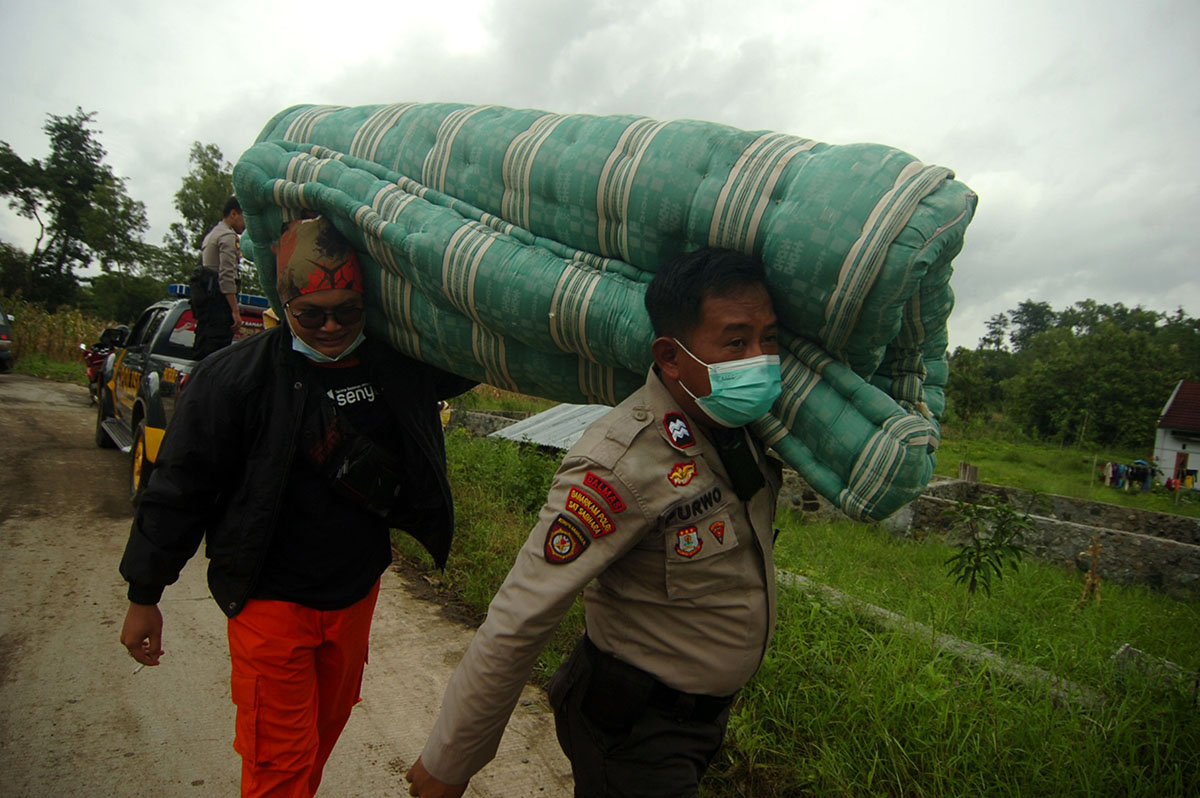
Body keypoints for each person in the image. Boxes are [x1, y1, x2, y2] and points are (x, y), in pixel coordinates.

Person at [119, 215, 476, 798]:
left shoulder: (397, 367)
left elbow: (475, 352)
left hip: (355, 594)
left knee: (318, 739)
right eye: (313, 314)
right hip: (269, 604)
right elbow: (179, 491)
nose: (331, 326)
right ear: (285, 304)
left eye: (347, 312)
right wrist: (144, 595)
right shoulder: (233, 379)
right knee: (278, 763)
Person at [407, 247, 784, 798]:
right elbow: (521, 616)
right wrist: (450, 761)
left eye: (768, 338)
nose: (760, 359)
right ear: (671, 357)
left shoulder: (738, 428)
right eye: (735, 342)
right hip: (633, 732)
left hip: (700, 724)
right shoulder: (620, 464)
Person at [191, 196, 247, 359]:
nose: (246, 225)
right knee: (217, 357)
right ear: (234, 214)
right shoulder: (227, 237)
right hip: (218, 306)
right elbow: (226, 276)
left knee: (203, 351)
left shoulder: (212, 234)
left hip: (207, 306)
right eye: (245, 218)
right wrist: (235, 311)